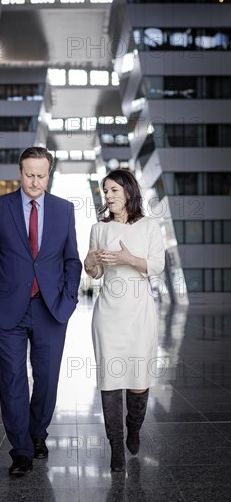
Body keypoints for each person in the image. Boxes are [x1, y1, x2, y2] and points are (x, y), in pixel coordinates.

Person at [0, 147, 82, 477]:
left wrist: (70, 298)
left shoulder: (64, 210)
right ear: (20, 173)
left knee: (46, 380)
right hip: (7, 309)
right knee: (12, 379)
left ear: (49, 174)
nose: (35, 182)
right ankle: (20, 449)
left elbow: (72, 260)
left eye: (41, 175)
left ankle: (37, 434)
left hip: (51, 308)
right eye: (29, 174)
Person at [84, 170, 165, 472]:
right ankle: (116, 447)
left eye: (114, 190)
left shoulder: (149, 225)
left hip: (140, 312)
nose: (109, 196)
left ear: (129, 192)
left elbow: (156, 266)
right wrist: (90, 263)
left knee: (138, 382)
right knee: (110, 380)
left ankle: (134, 426)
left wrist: (129, 259)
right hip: (108, 313)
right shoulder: (98, 228)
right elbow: (94, 272)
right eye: (105, 191)